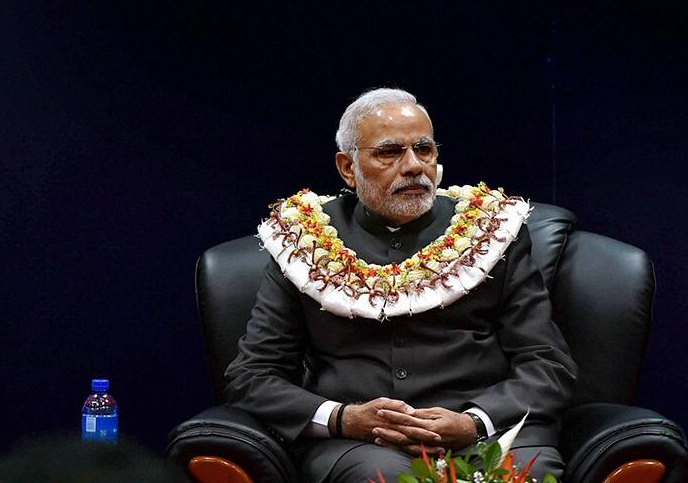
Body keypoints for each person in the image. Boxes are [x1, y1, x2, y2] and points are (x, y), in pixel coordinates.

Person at [224, 88, 577, 482]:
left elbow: (548, 365)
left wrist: (474, 422)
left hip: (487, 433)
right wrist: (344, 418)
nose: (413, 166)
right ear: (347, 168)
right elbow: (253, 375)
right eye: (389, 152)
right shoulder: (302, 242)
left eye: (424, 150)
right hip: (361, 444)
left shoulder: (494, 233)